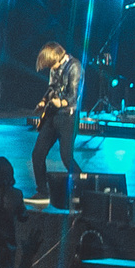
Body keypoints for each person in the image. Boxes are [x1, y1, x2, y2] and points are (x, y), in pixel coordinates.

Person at [30, 41, 83, 202]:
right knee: (37, 154)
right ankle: (42, 190)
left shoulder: (75, 66)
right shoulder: (55, 69)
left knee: (66, 157)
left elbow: (73, 96)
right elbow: (52, 87)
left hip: (68, 117)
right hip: (52, 115)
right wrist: (44, 101)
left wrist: (61, 103)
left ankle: (82, 189)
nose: (50, 69)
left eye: (50, 64)